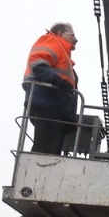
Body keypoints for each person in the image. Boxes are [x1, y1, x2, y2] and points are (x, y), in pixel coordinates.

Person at [22, 23, 79, 155]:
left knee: (51, 150)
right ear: (60, 33)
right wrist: (57, 80)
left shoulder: (64, 57)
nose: (76, 39)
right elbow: (37, 62)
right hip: (47, 105)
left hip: (55, 108)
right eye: (72, 35)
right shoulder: (52, 41)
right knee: (45, 150)